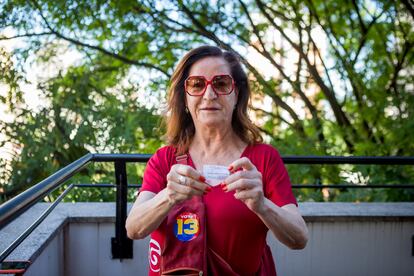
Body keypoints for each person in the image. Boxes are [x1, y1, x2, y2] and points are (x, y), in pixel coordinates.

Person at [126, 45, 308, 276]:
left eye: (221, 84)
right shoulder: (164, 159)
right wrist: (169, 195)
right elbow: (134, 229)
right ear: (184, 98)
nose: (209, 95)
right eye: (197, 84)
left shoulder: (263, 158)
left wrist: (262, 205)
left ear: (237, 94)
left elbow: (299, 238)